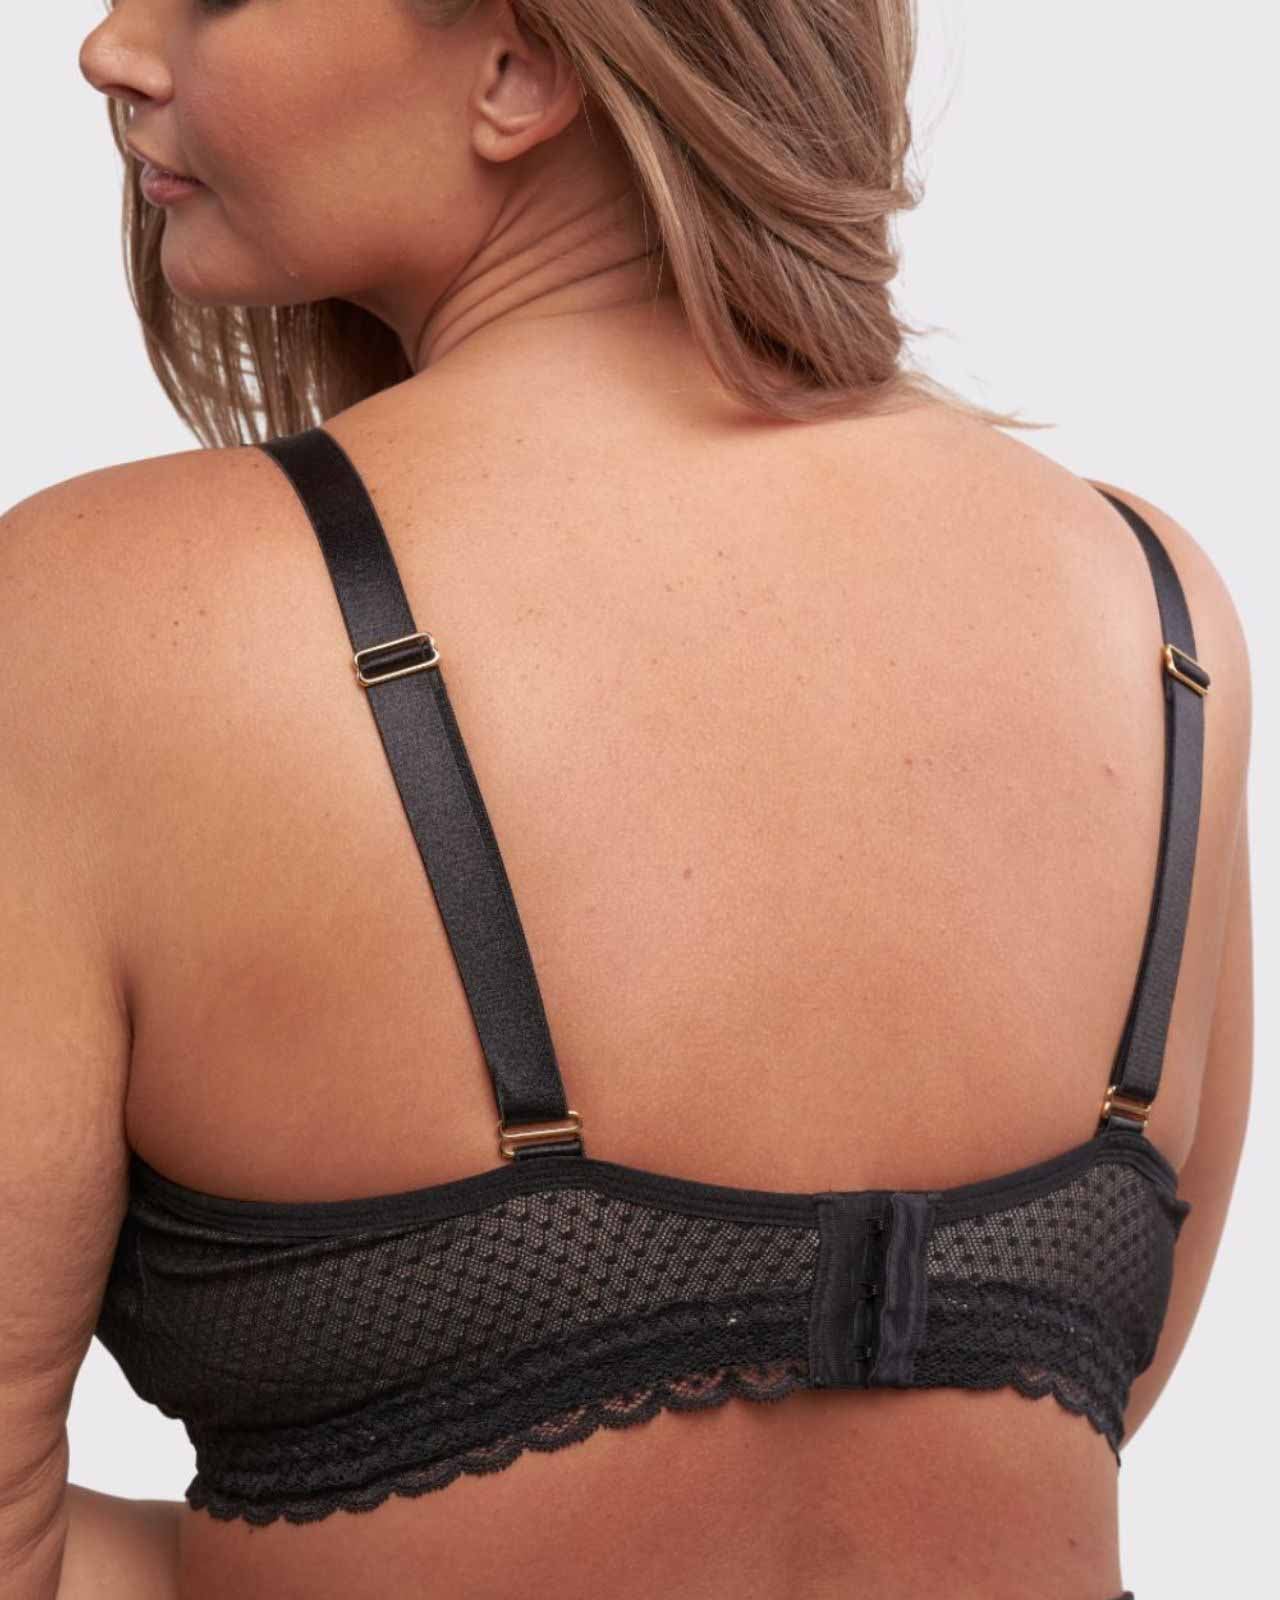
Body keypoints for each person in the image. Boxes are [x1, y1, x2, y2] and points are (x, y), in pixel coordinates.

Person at [1, 3, 1251, 1599]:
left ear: (520, 69)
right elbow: (1050, 1446)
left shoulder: (105, 623)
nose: (112, 47)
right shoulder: (1156, 618)